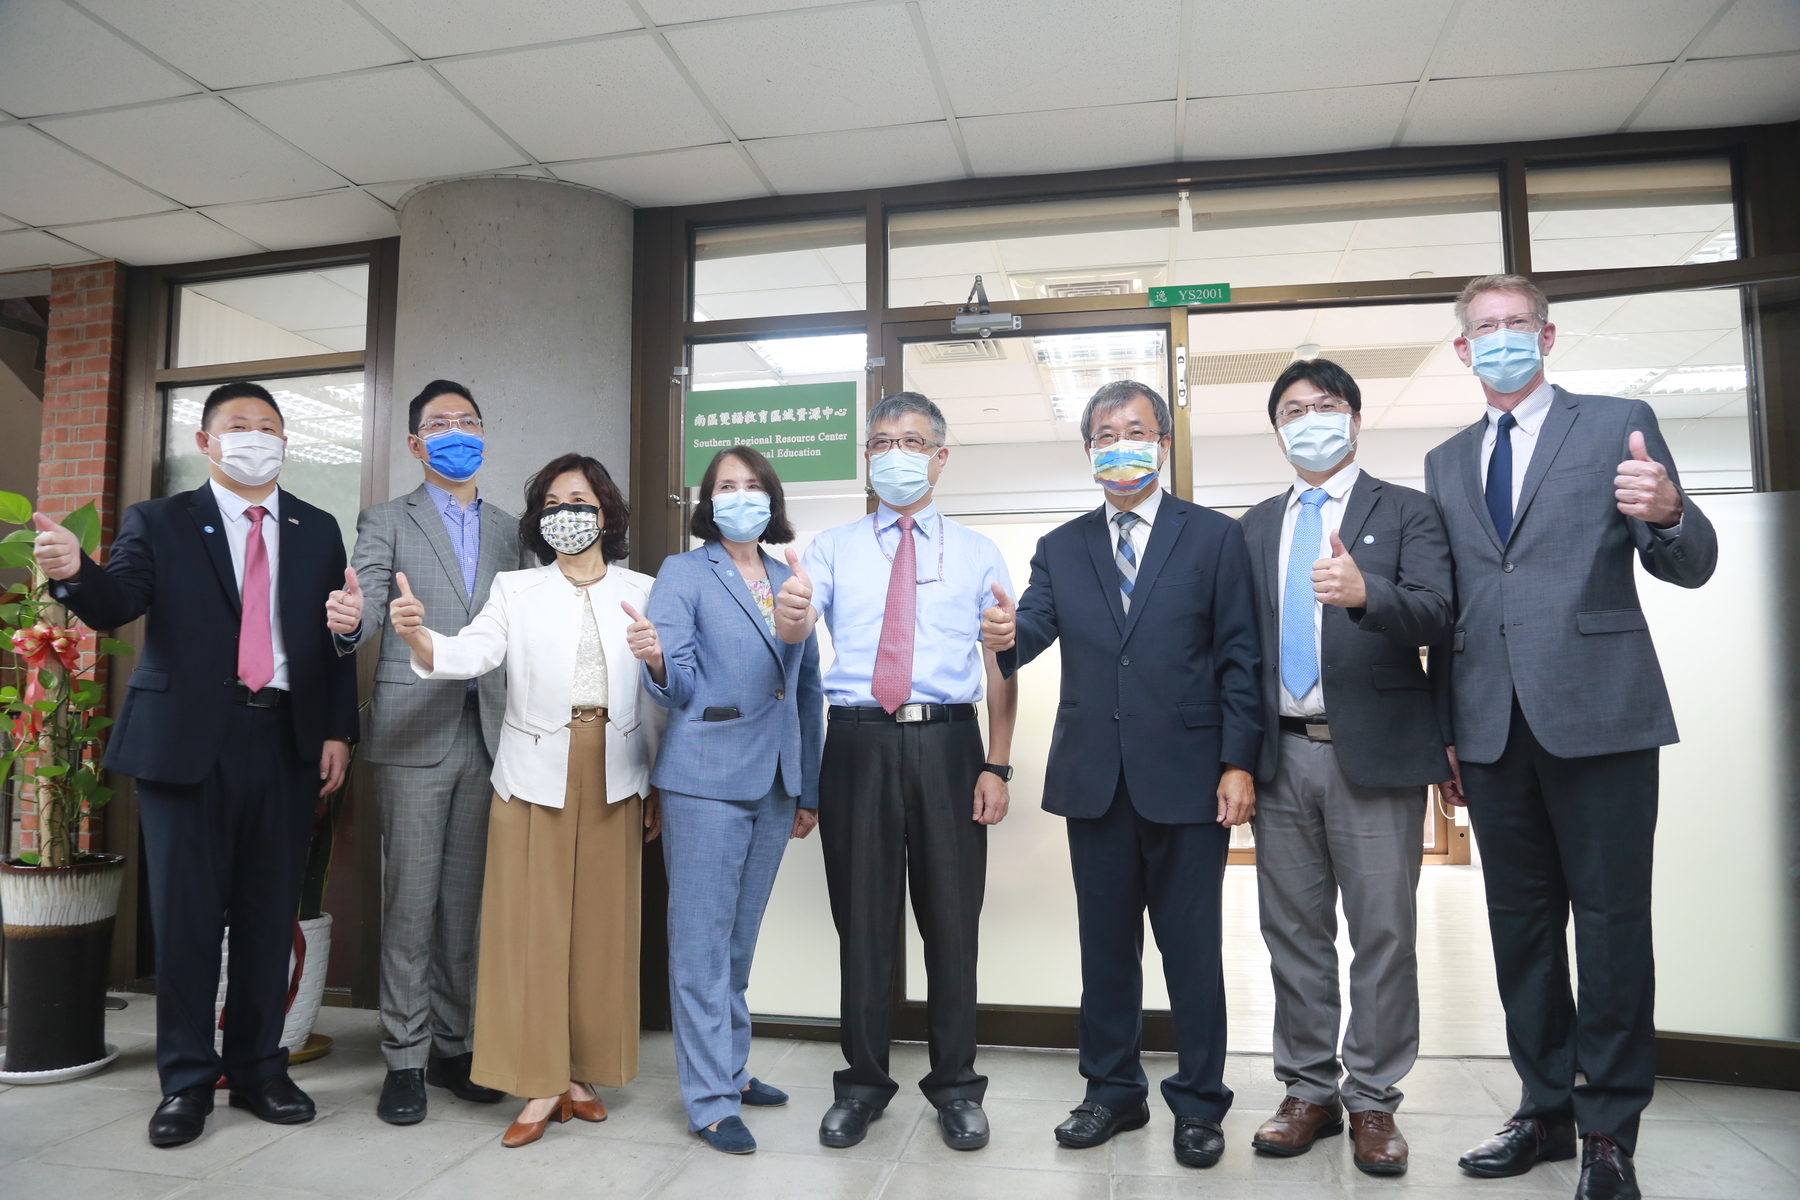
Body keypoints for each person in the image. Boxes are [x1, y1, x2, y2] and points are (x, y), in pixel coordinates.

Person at [1425, 274, 1716, 1200]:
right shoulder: (1443, 460)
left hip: (1602, 717)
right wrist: (1448, 736)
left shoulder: (1614, 422)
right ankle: (1544, 1109)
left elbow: (1691, 564)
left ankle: (1609, 1130)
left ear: (1546, 338)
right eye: (1485, 330)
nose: (1503, 339)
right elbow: (1454, 612)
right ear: (1464, 351)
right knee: (1521, 932)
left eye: (1519, 324)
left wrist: (1668, 510)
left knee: (1613, 925)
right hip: (1491, 729)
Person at [32, 382, 359, 1148]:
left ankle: (258, 1069)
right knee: (185, 921)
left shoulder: (317, 528)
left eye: (269, 427)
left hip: (284, 741)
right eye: (237, 426)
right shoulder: (161, 519)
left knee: (265, 915)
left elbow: (334, 636)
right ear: (207, 442)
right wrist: (76, 568)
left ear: (286, 443)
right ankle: (185, 1081)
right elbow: (118, 604)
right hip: (185, 746)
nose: (255, 437)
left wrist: (336, 731)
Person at [982, 379, 1259, 1171]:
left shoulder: (1212, 537)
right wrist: (1002, 632)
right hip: (1095, 780)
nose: (1120, 444)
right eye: (1105, 434)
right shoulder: (1062, 547)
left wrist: (1240, 761)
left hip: (1191, 778)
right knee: (1106, 950)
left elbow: (1241, 656)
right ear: (1088, 452)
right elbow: (1028, 630)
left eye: (1135, 430)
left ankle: (1201, 1104)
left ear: (1163, 443)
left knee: (1192, 951)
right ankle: (1112, 1091)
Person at [388, 452, 663, 1149]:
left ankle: (583, 1072)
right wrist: (421, 636)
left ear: (607, 512)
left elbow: (662, 695)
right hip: (534, 767)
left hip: (618, 768)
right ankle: (540, 1079)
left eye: (583, 500)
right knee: (532, 930)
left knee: (602, 931)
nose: (569, 513)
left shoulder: (647, 588)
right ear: (541, 517)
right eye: (554, 502)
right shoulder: (515, 588)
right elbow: (474, 653)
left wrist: (655, 777)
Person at [773, 392, 1017, 1153]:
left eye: (912, 442)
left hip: (949, 745)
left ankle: (956, 1087)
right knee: (865, 926)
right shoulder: (830, 548)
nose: (895, 455)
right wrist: (788, 612)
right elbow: (796, 632)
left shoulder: (978, 552)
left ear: (941, 457)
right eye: (881, 443)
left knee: (952, 924)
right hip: (857, 745)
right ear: (867, 458)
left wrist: (997, 763)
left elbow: (1000, 663)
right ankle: (864, 1086)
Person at [1237, 358, 1455, 1176]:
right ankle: (1307, 1091)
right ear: (1278, 429)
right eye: (1293, 410)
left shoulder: (1408, 513)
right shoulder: (1255, 526)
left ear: (1356, 419)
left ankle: (1372, 1099)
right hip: (1280, 756)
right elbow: (1236, 650)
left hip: (1377, 756)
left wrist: (1369, 593)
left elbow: (1440, 614)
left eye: (1324, 406)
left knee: (1384, 935)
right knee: (1292, 935)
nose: (1309, 420)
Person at [324, 380, 526, 1124]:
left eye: (467, 421)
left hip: (491, 736)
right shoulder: (386, 519)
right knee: (409, 905)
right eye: (438, 424)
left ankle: (454, 1046)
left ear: (484, 433)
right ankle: (403, 1058)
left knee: (465, 909)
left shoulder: (512, 528)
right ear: (414, 443)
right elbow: (367, 603)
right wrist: (352, 622)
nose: (455, 433)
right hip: (414, 736)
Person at [625, 445, 824, 1155]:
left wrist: (809, 786)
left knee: (738, 942)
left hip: (775, 779)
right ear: (708, 502)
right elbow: (675, 681)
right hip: (703, 777)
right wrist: (652, 657)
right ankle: (709, 1100)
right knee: (701, 946)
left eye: (753, 485)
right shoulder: (684, 572)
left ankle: (732, 1072)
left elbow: (805, 689)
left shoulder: (787, 574)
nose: (741, 495)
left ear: (771, 497)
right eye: (726, 486)